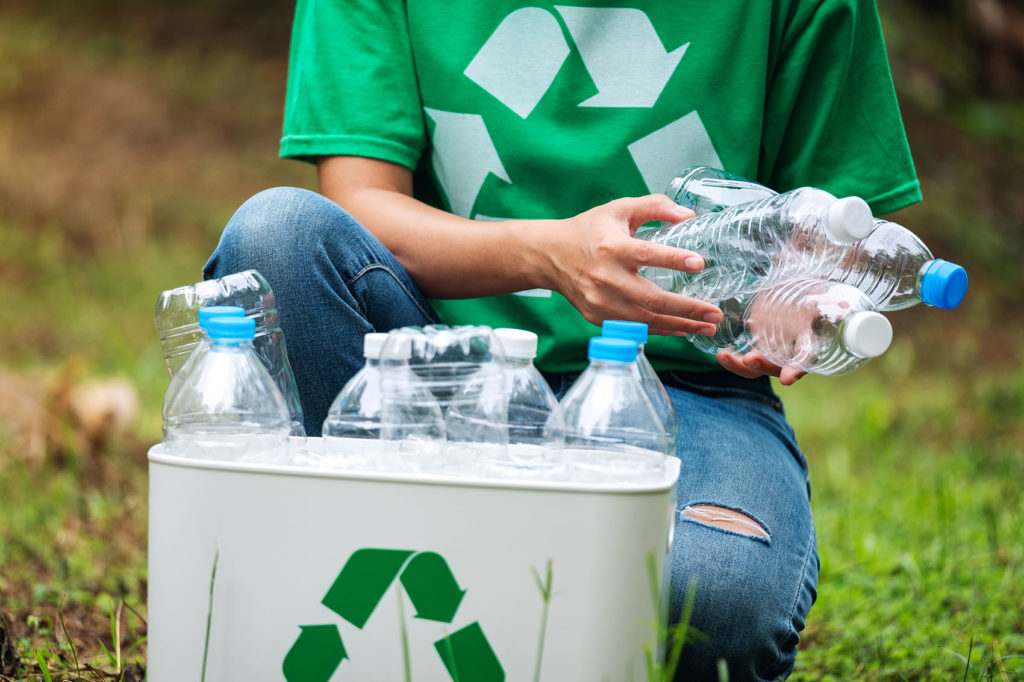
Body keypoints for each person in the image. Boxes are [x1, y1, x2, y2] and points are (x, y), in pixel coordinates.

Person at [204, 1, 921, 679]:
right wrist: (551, 254)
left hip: (682, 391)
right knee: (277, 235)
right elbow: (358, 202)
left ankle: (427, 576)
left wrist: (793, 297)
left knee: (708, 603)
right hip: (422, 376)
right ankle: (414, 556)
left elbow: (839, 229)